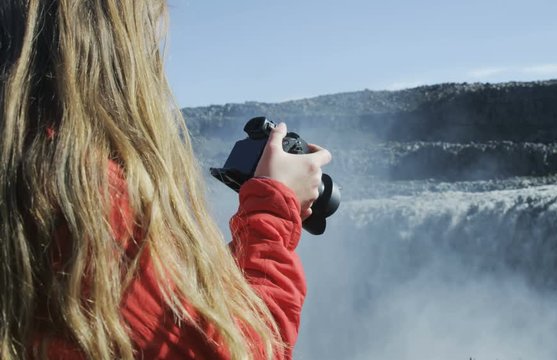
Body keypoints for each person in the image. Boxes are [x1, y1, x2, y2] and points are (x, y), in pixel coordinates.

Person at [0, 1, 331, 359]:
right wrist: (273, 210)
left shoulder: (24, 172)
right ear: (104, 40)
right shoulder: (76, 193)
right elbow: (241, 350)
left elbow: (174, 314)